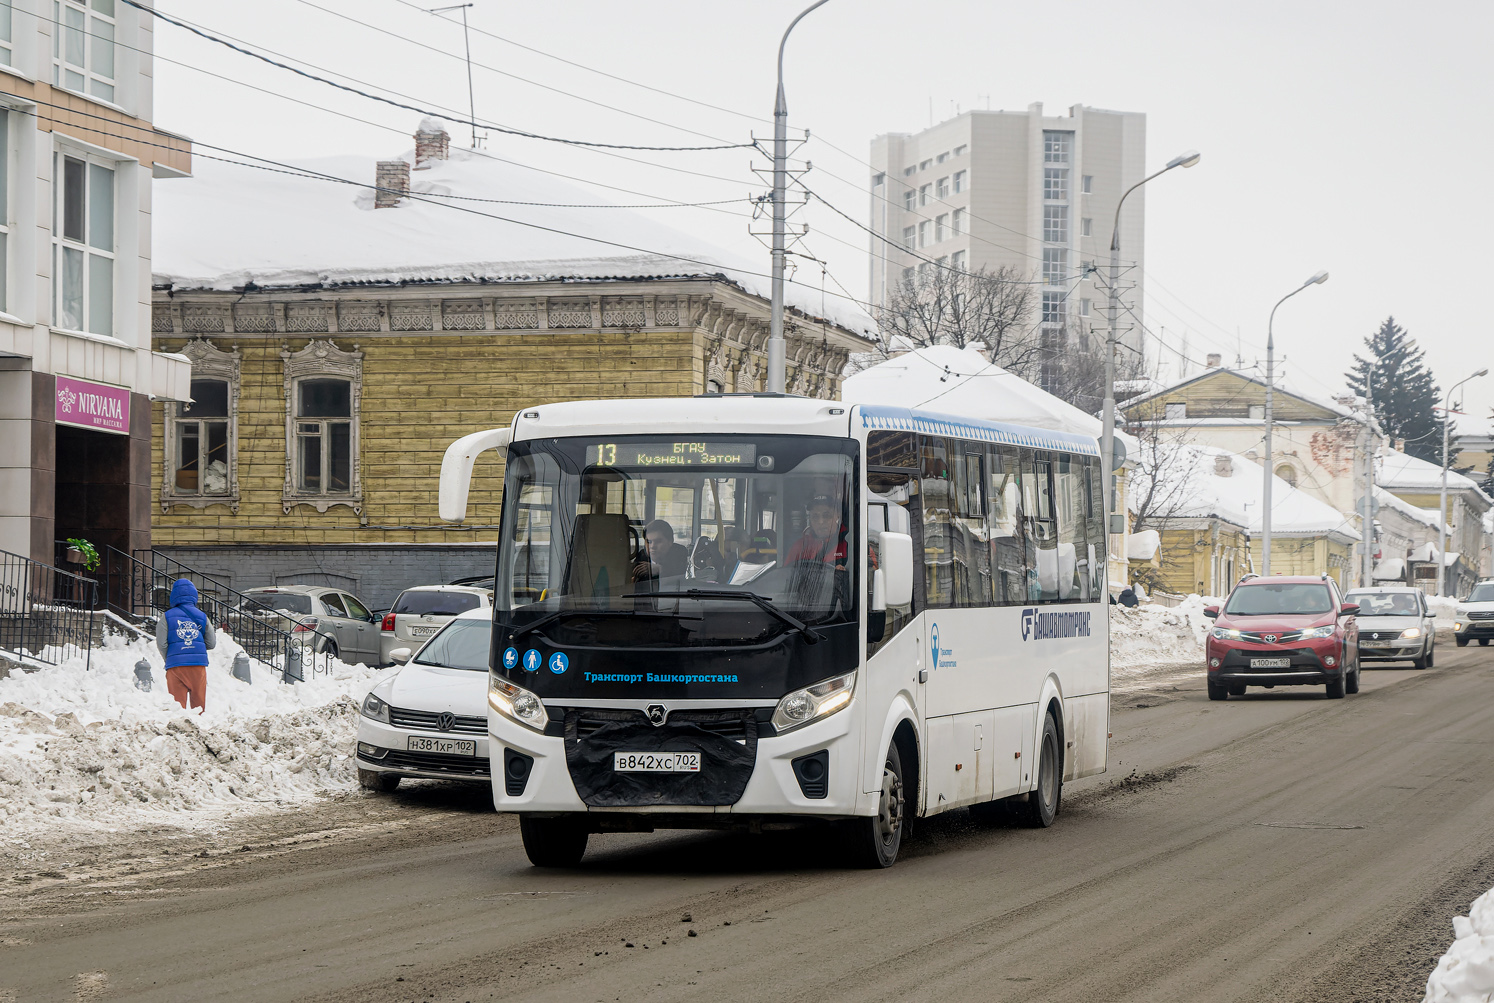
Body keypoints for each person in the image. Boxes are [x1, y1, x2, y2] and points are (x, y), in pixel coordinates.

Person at [156, 578, 216, 711]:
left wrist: (171, 657)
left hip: (175, 666)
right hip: (198, 666)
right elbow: (211, 643)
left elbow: (161, 643)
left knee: (177, 708)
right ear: (194, 595)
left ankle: (178, 729)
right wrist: (196, 647)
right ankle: (199, 727)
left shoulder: (166, 617)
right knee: (199, 707)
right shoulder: (202, 616)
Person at [787, 496, 848, 569]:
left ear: (838, 516)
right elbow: (785, 576)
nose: (821, 522)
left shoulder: (849, 544)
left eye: (827, 516)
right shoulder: (799, 547)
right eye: (815, 517)